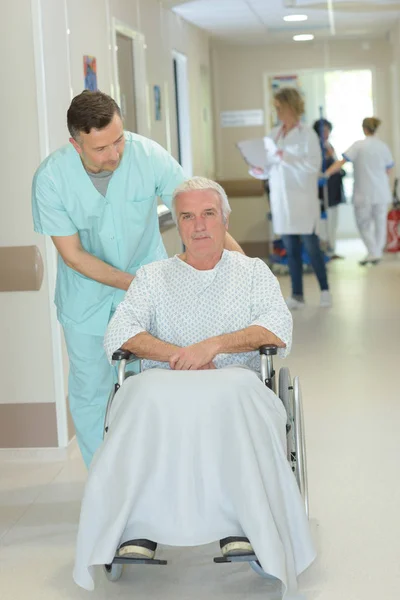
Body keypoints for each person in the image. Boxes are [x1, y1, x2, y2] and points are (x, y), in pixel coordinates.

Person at [73, 177, 315, 596]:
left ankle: (243, 523)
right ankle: (136, 526)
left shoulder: (253, 273)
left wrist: (213, 346)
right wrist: (174, 355)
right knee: (140, 395)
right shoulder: (152, 277)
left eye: (208, 214)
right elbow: (120, 333)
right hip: (163, 382)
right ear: (177, 225)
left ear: (224, 220)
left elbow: (276, 329)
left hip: (236, 382)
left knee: (234, 393)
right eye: (187, 216)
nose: (199, 225)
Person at [31, 91, 242, 468]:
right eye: (100, 148)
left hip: (150, 298)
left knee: (158, 383)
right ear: (75, 143)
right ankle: (105, 482)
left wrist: (241, 267)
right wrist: (139, 284)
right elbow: (73, 255)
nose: (114, 154)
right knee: (92, 388)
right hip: (87, 302)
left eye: (118, 140)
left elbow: (198, 210)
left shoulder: (148, 156)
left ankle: (160, 477)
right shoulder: (51, 178)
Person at [250, 88, 331, 310]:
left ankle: (325, 290)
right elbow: (267, 168)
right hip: (281, 202)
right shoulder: (273, 134)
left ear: (291, 106)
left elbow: (313, 165)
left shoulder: (308, 134)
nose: (276, 111)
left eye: (279, 106)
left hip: (303, 201)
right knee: (291, 250)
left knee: (312, 248)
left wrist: (285, 156)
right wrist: (257, 169)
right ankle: (297, 295)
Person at [324, 117, 394, 265]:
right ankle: (376, 252)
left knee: (363, 224)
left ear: (364, 128)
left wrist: (326, 173)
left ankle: (373, 252)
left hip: (364, 191)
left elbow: (341, 162)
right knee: (380, 223)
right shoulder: (383, 146)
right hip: (380, 191)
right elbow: (389, 169)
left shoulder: (359, 146)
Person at [313, 118, 345, 259]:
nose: (326, 133)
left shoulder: (329, 146)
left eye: (327, 130)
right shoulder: (316, 147)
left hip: (334, 190)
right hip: (323, 192)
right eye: (323, 130)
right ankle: (325, 250)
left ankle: (332, 249)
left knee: (333, 222)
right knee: (324, 222)